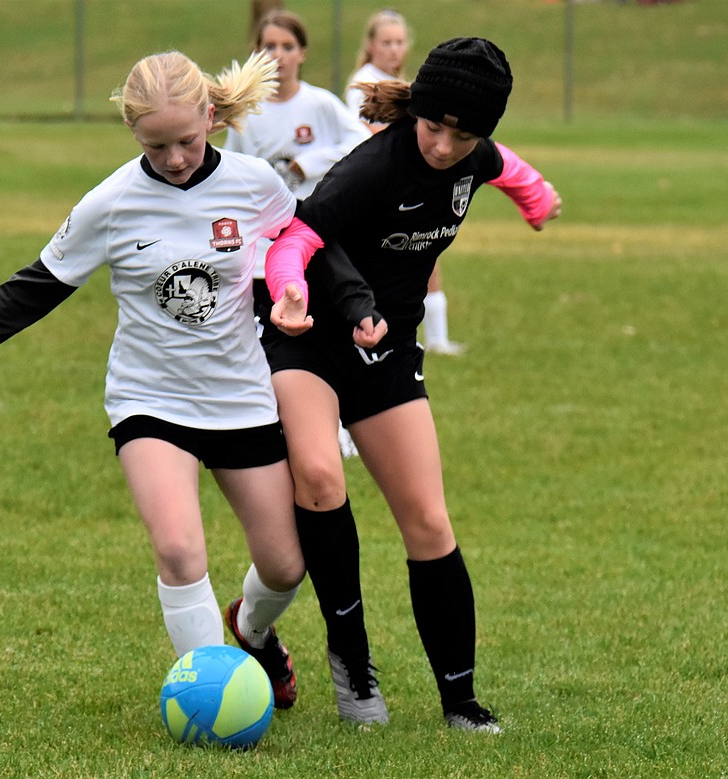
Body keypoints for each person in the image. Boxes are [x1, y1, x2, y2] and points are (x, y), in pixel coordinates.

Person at [0, 49, 318, 710]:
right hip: (149, 400)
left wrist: (310, 301)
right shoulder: (113, 201)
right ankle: (213, 696)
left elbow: (303, 242)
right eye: (157, 146)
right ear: (134, 135)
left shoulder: (254, 182)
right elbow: (35, 286)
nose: (176, 157)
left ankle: (256, 632)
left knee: (285, 566)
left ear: (211, 118)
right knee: (180, 550)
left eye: (186, 140)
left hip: (242, 396)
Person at [262, 37, 562, 732]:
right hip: (307, 334)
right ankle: (351, 661)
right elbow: (295, 240)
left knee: (428, 520)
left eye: (463, 135)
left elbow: (507, 165)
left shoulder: (472, 154)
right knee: (319, 474)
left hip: (387, 348)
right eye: (434, 127)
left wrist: (535, 197)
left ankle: (459, 699)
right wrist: (288, 295)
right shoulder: (373, 167)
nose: (444, 147)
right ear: (417, 113)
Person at [225, 8, 369, 459]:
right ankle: (277, 423)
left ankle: (340, 423)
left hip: (320, 237)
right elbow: (232, 173)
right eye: (269, 47)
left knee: (329, 330)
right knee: (276, 336)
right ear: (257, 53)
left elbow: (362, 144)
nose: (279, 56)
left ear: (302, 53)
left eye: (288, 47)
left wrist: (312, 161)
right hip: (268, 245)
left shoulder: (321, 104)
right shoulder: (247, 116)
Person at [344, 9, 467, 357]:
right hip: (378, 191)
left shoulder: (406, 84)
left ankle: (437, 339)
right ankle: (379, 331)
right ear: (370, 45)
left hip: (409, 186)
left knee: (427, 254)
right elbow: (367, 135)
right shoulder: (364, 84)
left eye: (399, 42)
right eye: (386, 42)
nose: (394, 49)